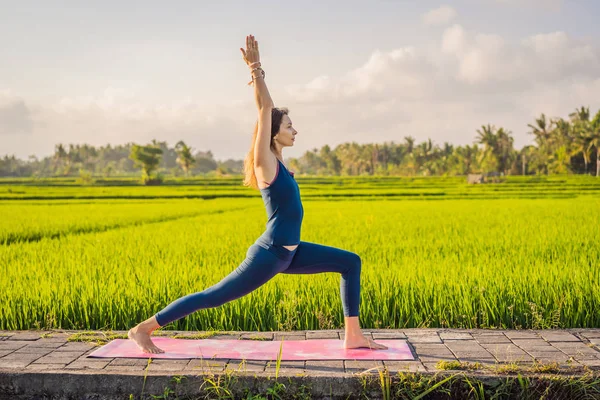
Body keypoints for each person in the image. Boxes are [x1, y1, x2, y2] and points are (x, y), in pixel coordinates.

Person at [128, 35, 387, 353]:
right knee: (213, 297)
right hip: (270, 254)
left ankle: (354, 335)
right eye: (290, 126)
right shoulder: (264, 162)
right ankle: (143, 329)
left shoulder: (281, 163)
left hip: (290, 253)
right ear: (274, 130)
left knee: (350, 262)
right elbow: (265, 108)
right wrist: (256, 69)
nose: (295, 131)